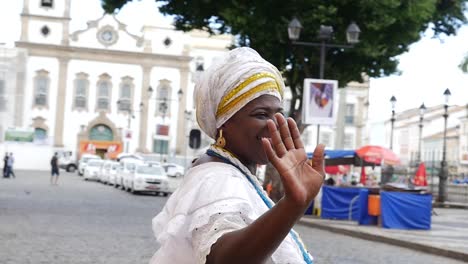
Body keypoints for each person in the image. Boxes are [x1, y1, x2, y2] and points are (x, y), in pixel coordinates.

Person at [151, 47, 325, 264]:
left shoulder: (232, 172)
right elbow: (224, 258)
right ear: (224, 123)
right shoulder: (218, 178)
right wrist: (292, 205)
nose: (274, 126)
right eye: (261, 115)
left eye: (279, 114)